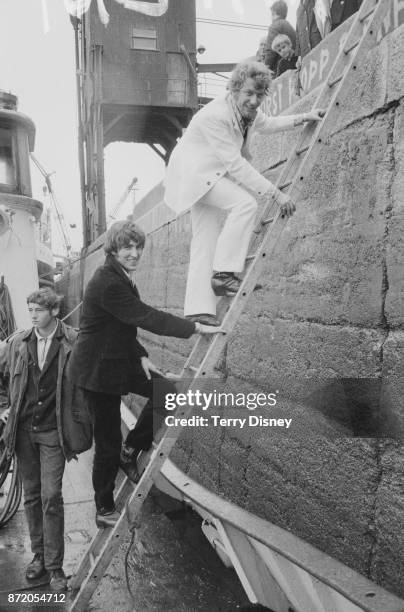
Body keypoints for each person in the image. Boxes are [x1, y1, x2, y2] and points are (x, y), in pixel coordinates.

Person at [68, 220, 220, 528]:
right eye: (128, 247)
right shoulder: (108, 281)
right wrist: (194, 327)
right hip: (97, 373)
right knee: (107, 440)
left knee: (165, 394)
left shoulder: (119, 276)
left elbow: (121, 325)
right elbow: (144, 316)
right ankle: (103, 507)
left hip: (118, 359)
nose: (135, 253)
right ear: (114, 249)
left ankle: (131, 447)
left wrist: (141, 356)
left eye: (138, 247)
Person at [164, 60, 325, 326]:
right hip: (195, 176)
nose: (253, 100)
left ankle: (198, 310)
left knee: (205, 241)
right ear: (235, 89)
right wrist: (276, 195)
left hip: (206, 174)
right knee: (245, 205)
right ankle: (225, 273)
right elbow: (236, 165)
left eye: (259, 95)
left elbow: (270, 123)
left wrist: (303, 117)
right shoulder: (215, 116)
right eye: (248, 93)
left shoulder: (244, 112)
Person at [0, 288, 92, 592]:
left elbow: (95, 372)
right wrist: (4, 407)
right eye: (30, 311)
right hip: (24, 431)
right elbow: (2, 377)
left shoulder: (74, 341)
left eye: (39, 310)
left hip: (53, 432)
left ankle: (55, 568)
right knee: (31, 496)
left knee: (51, 496)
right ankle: (38, 557)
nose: (34, 316)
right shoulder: (18, 343)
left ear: (54, 311)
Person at [264, 0, 297, 73]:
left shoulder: (274, 26)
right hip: (294, 66)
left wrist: (264, 70)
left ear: (274, 12)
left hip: (281, 70)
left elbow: (270, 52)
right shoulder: (289, 26)